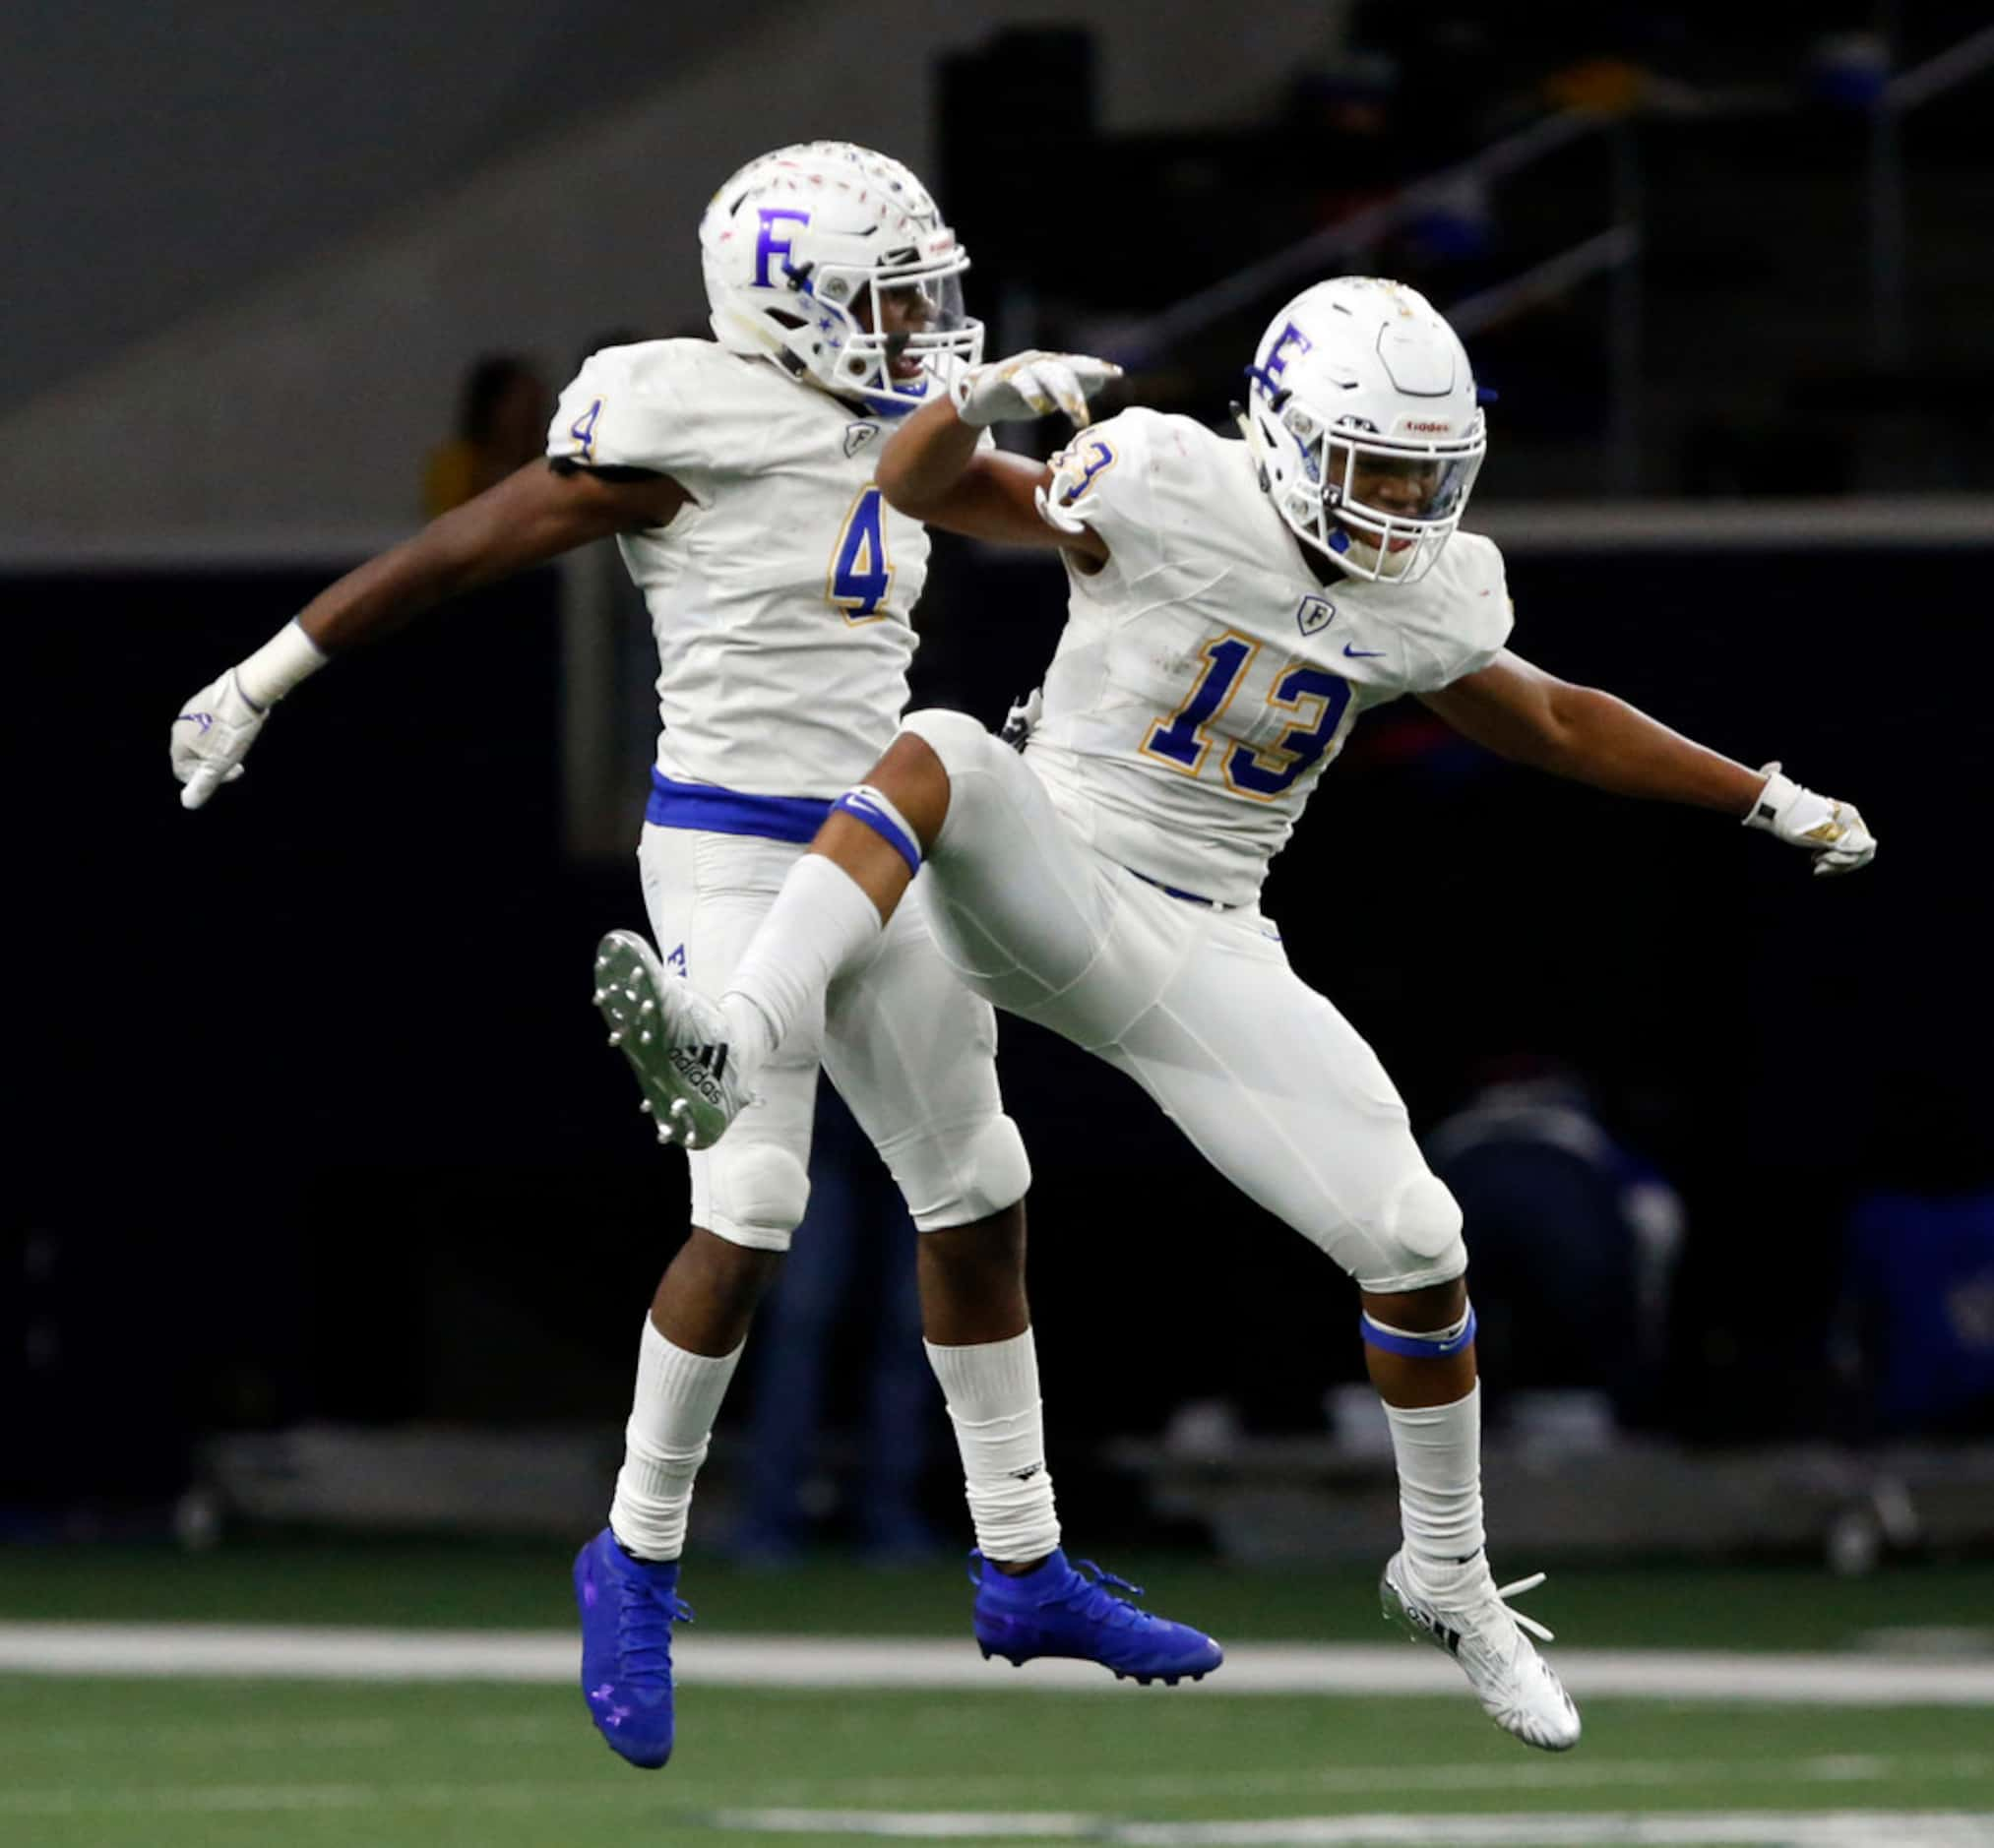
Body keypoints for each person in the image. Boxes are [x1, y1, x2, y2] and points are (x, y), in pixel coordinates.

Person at [606, 276, 1879, 1754]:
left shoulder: (1430, 587)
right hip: (1045, 864)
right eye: (1371, 465)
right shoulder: (1159, 478)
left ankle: (1445, 1572)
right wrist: (968, 403)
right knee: (943, 742)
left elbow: (1547, 716)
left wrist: (1759, 794)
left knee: (1414, 1237)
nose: (1399, 502)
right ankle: (741, 1027)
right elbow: (921, 488)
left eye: (1424, 473)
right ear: (1278, 431)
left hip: (1204, 937)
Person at [167, 141, 1217, 1775]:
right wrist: (267, 670)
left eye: (927, 294)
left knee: (980, 1192)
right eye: (890, 300)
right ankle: (634, 1561)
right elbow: (467, 551)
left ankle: (1021, 1565)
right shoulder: (683, 419)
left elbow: (1055, 530)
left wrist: (1199, 529)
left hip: (886, 842)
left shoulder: (902, 427)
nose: (924, 324)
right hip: (732, 843)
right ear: (786, 313)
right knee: (750, 1208)